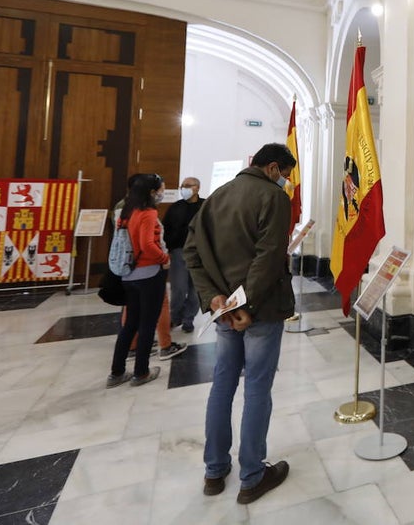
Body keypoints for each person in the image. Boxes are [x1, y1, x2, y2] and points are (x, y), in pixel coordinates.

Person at [184, 143, 296, 504]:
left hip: (224, 310)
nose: (287, 183)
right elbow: (269, 256)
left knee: (222, 384)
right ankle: (252, 475)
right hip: (257, 312)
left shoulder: (216, 197)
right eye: (287, 175)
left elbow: (192, 253)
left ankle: (214, 471)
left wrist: (216, 300)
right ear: (274, 168)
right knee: (257, 389)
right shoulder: (273, 197)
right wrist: (246, 304)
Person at [106, 173, 171, 388]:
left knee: (130, 323)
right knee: (147, 323)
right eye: (160, 189)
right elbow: (147, 245)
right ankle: (141, 372)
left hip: (128, 274)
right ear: (151, 192)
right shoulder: (147, 212)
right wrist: (164, 259)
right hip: (148, 273)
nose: (162, 193)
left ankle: (116, 372)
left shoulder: (125, 211)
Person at [164, 176, 204, 332]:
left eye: (188, 185)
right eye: (183, 186)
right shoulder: (175, 207)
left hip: (200, 254)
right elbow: (166, 229)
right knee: (179, 289)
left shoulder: (205, 206)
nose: (184, 188)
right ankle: (175, 317)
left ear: (197, 188)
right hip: (179, 252)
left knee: (195, 292)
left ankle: (189, 319)